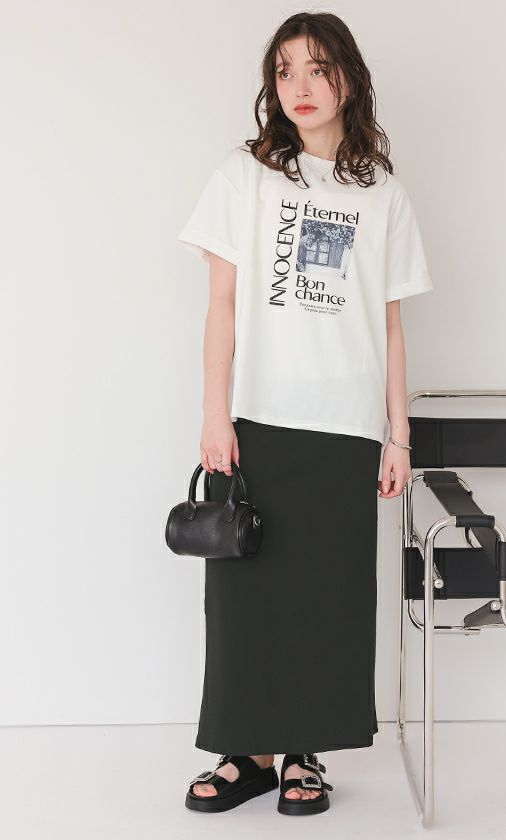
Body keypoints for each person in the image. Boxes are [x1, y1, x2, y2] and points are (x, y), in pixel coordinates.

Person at [176, 10, 433, 817]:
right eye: (285, 71)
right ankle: (247, 751)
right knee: (245, 595)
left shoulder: (383, 194)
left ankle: (304, 753)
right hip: (260, 416)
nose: (300, 86)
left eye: (318, 68)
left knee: (327, 596)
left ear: (347, 79)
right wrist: (216, 415)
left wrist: (398, 435)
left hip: (345, 424)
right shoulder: (244, 177)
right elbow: (222, 307)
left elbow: (390, 325)